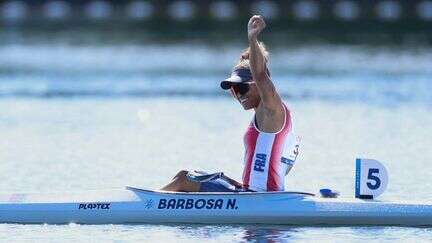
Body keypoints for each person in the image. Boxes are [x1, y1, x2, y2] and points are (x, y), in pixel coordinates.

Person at [161, 15, 299, 192]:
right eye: (233, 90)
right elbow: (285, 165)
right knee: (186, 175)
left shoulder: (272, 109)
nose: (238, 94)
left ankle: (143, 206)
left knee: (182, 181)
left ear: (258, 86)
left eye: (241, 88)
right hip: (253, 193)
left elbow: (261, 74)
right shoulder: (268, 117)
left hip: (259, 198)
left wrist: (252, 38)